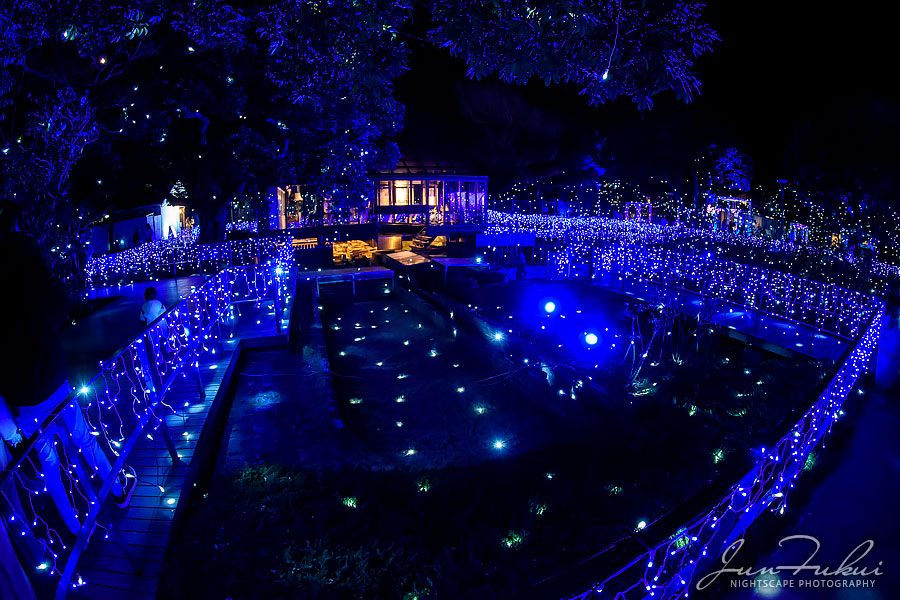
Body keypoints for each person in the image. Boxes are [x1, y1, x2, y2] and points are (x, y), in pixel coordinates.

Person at [0, 202, 135, 537]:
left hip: (20, 394)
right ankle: (116, 489)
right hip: (49, 374)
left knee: (48, 461)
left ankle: (75, 528)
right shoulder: (22, 256)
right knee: (82, 440)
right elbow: (58, 307)